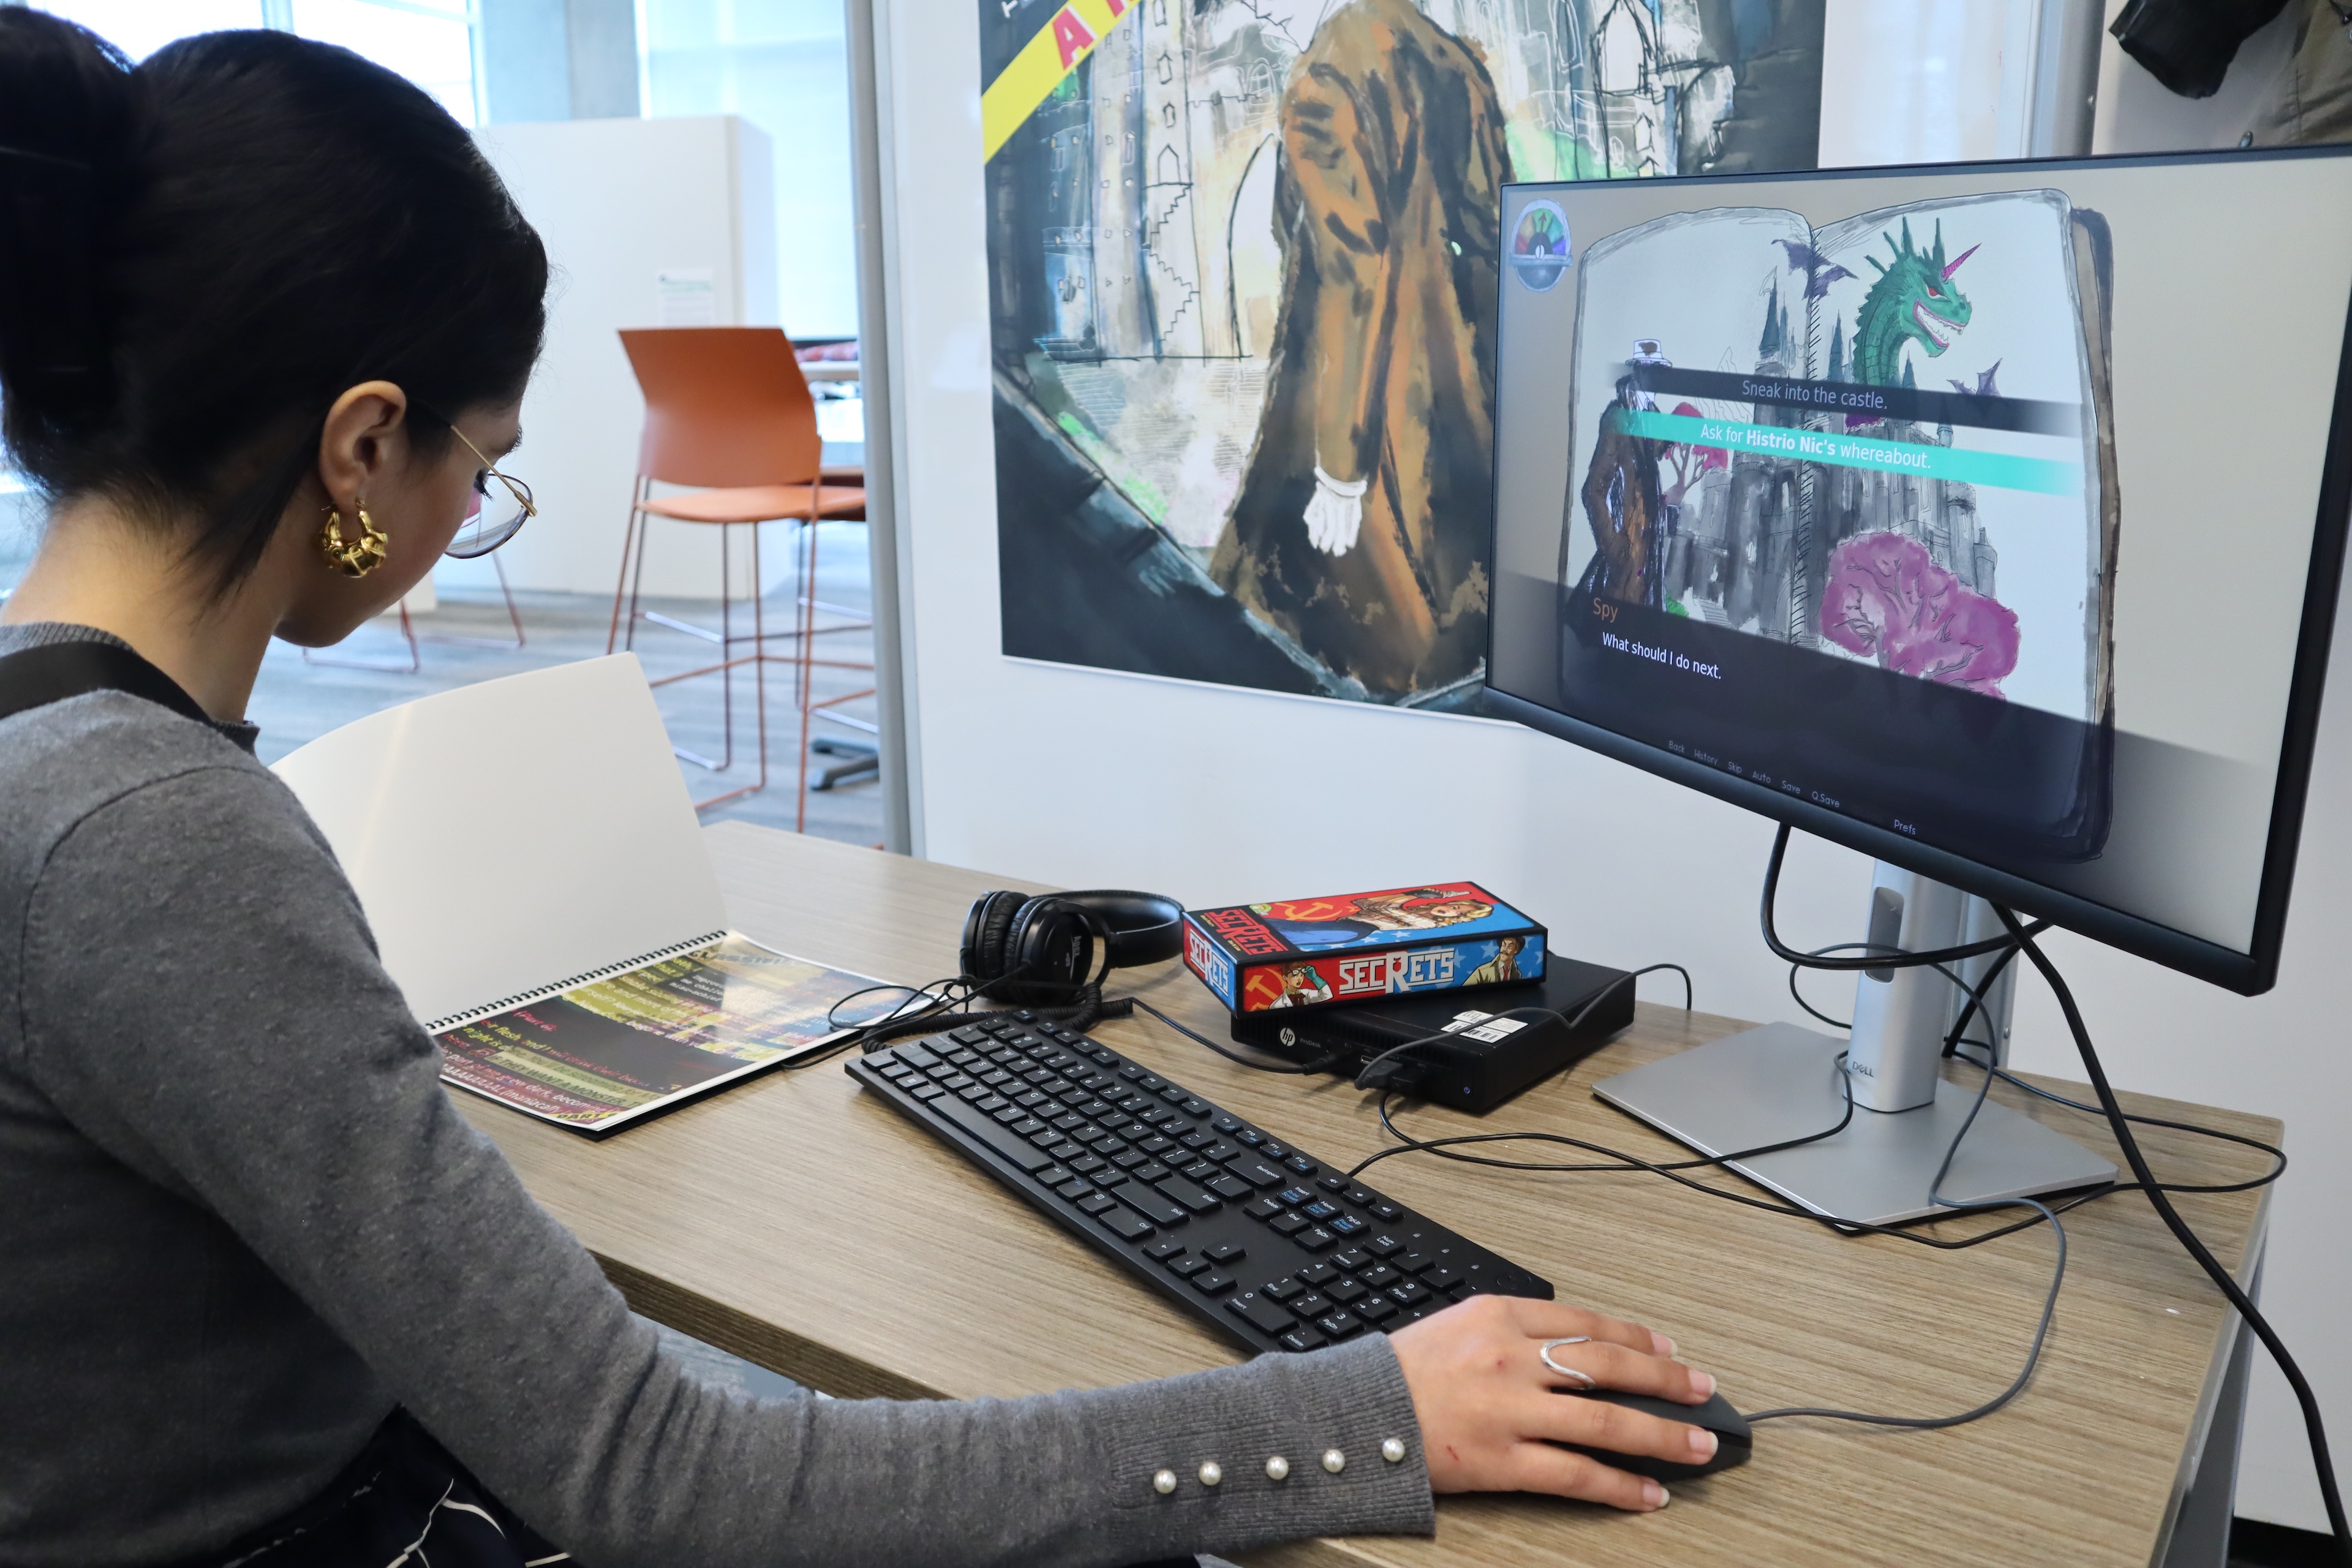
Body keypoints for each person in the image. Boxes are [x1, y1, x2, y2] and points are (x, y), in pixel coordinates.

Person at [0, 17, 1723, 1566]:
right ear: (362, 445)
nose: (468, 512)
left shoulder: (53, 750)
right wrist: (1361, 1417)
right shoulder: (154, 839)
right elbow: (656, 1474)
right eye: (487, 467)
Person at [1208, 0, 1511, 700]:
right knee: (1456, 609)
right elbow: (1497, 230)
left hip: (1360, 405)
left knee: (1318, 627)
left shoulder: (1323, 82)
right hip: (1450, 391)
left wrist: (1342, 471)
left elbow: (1355, 274)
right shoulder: (1450, 61)